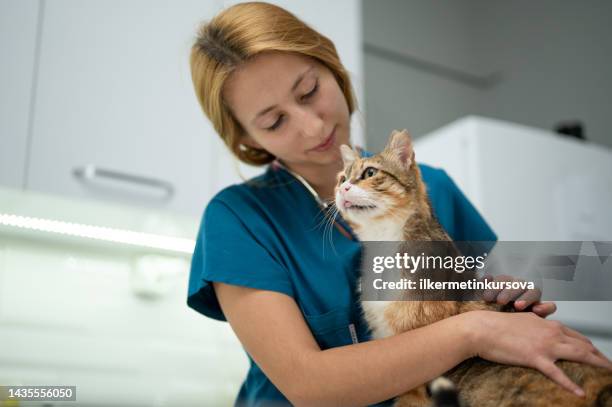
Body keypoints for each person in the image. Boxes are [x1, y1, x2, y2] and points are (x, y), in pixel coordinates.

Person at [187, 3, 612, 406]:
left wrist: (503, 304)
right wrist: (476, 330)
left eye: (310, 90)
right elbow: (309, 385)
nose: (313, 125)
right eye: (274, 121)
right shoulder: (237, 220)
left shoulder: (434, 190)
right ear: (245, 138)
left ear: (334, 68)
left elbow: (479, 309)